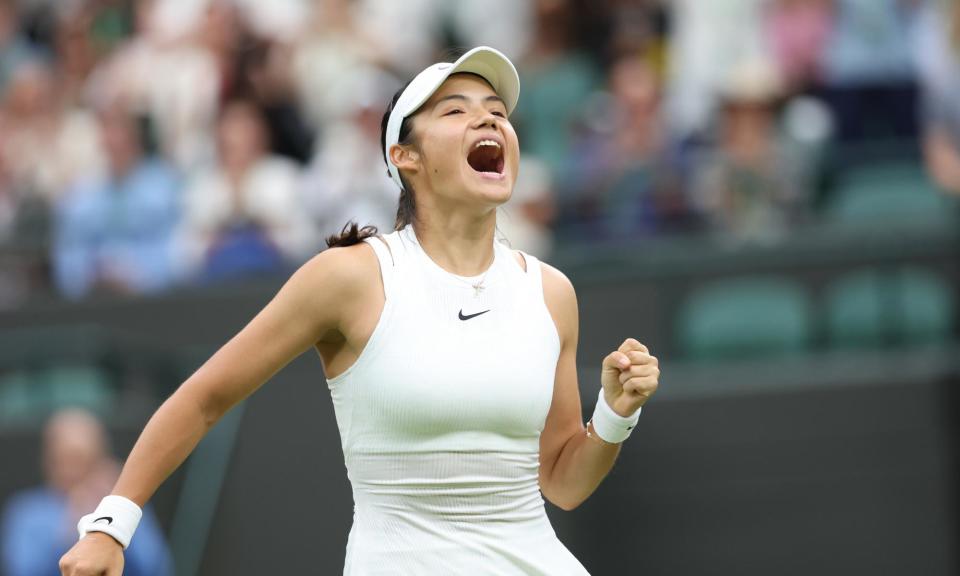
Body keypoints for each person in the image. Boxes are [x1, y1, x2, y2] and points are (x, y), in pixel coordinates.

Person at [57, 46, 660, 575]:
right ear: (406, 157)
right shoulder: (351, 278)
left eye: (498, 112)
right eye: (455, 111)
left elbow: (562, 481)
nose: (488, 118)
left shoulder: (552, 293)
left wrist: (613, 415)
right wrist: (112, 522)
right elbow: (204, 397)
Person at [1, 409, 171, 576]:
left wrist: (116, 519)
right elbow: (23, 570)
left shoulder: (125, 505)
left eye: (83, 459)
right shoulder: (27, 511)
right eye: (67, 459)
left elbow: (155, 567)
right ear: (49, 460)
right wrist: (73, 520)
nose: (74, 470)